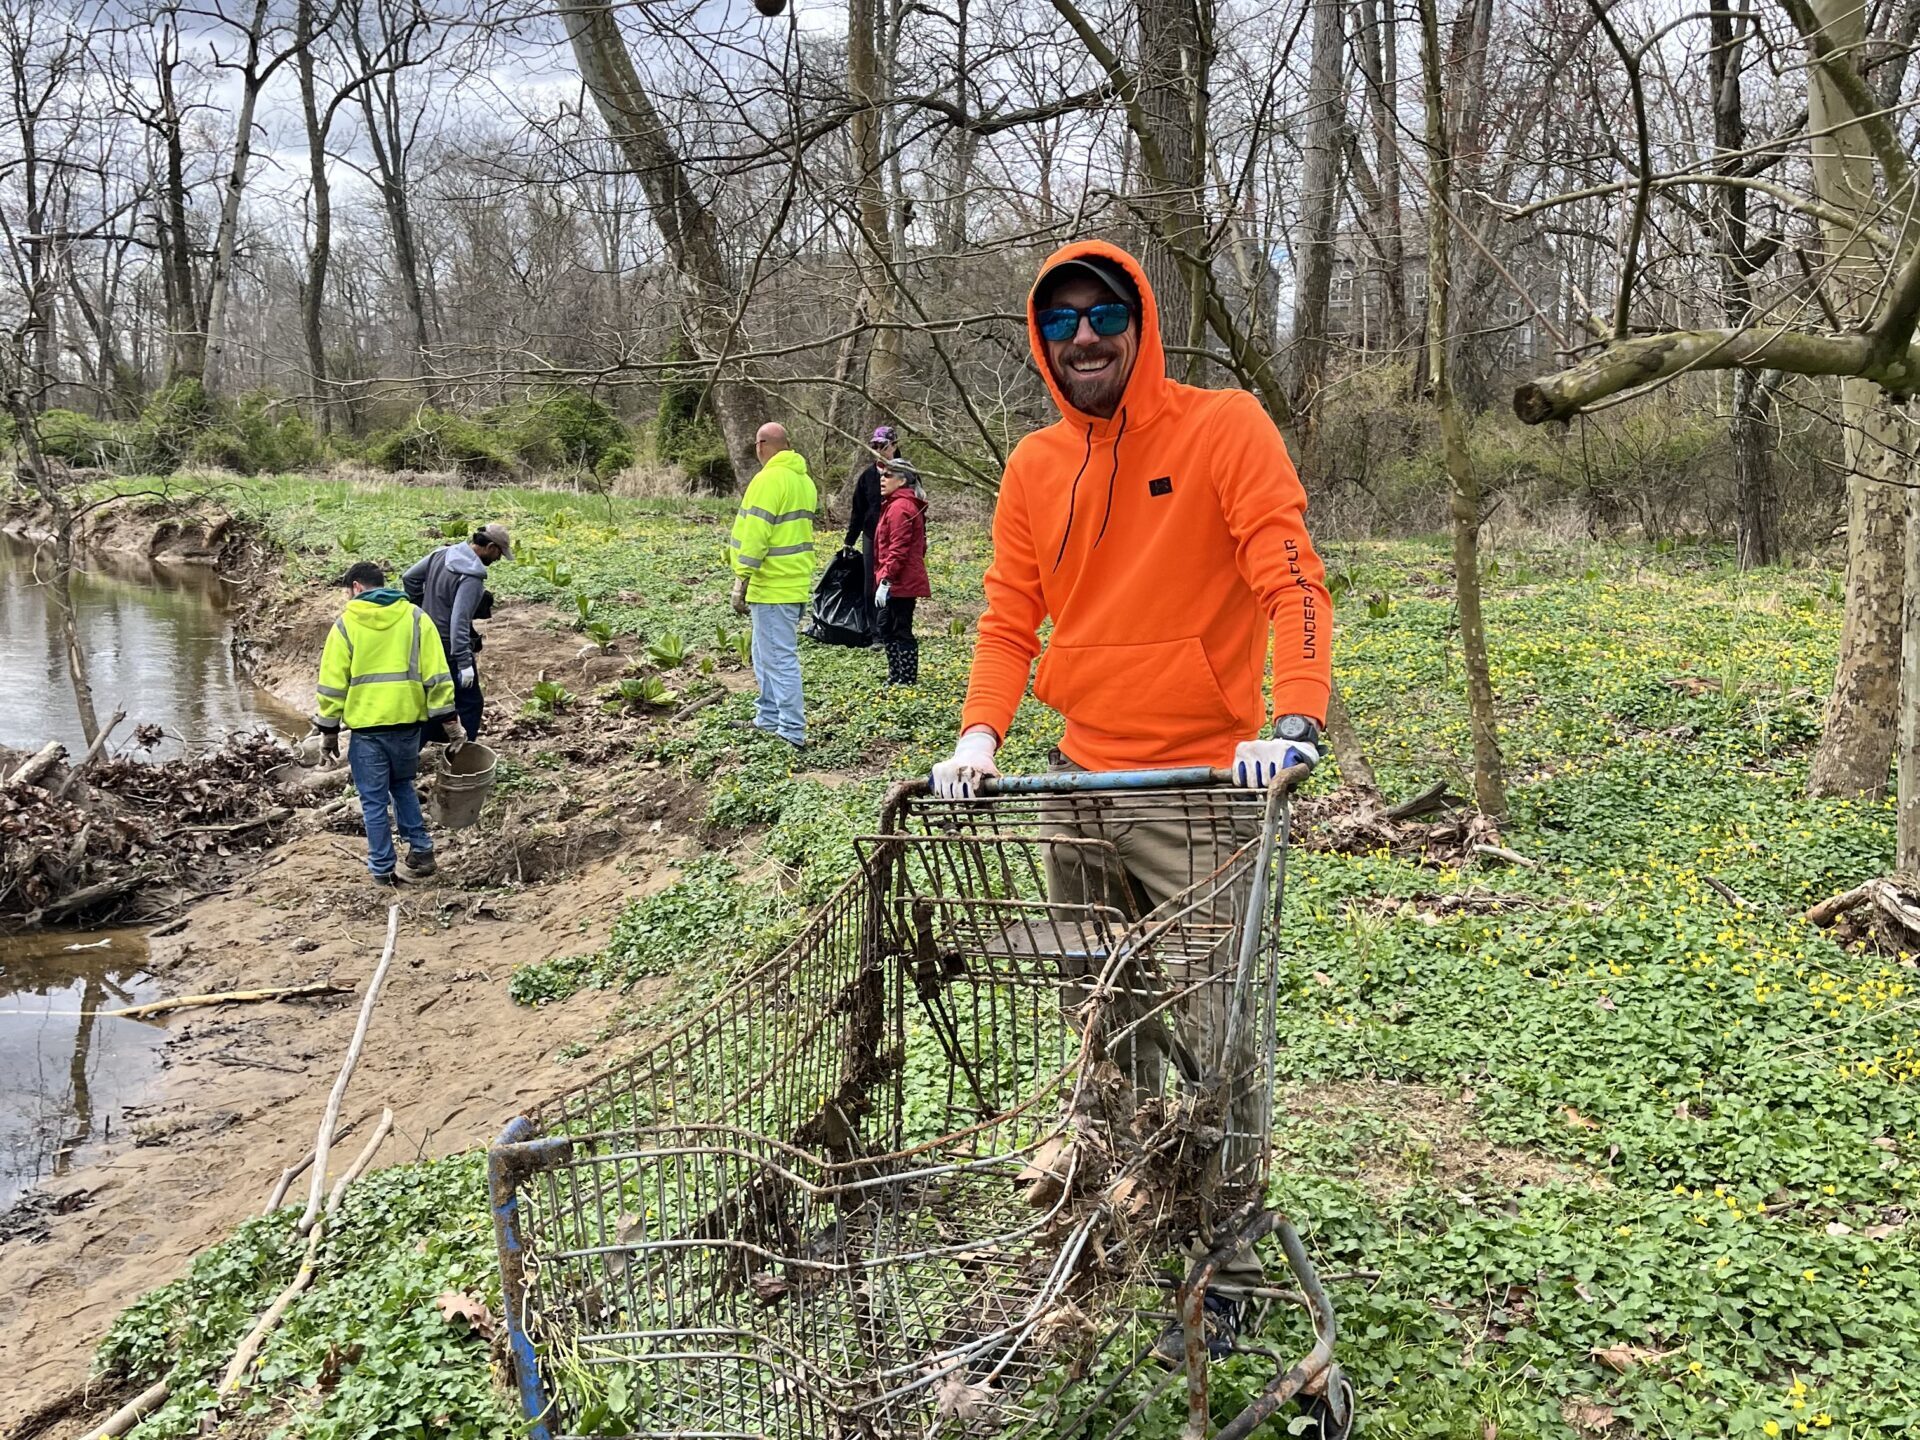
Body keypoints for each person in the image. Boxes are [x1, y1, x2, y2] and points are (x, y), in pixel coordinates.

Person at [929, 239, 1334, 1356]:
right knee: (1105, 1024)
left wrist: (1291, 718)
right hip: (1076, 783)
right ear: (1039, 344)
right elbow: (1011, 615)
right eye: (1059, 325)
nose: (1085, 339)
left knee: (1217, 1035)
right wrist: (978, 735)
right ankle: (1126, 1207)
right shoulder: (1032, 467)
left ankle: (1229, 1257)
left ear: (1141, 320)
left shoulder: (1222, 429)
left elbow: (1288, 570)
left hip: (1200, 789)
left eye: (1103, 315)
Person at [315, 561, 462, 886]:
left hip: (367, 731)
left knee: (373, 800)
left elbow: (331, 684)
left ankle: (382, 868)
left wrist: (328, 731)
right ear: (381, 583)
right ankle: (422, 851)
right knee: (402, 785)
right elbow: (437, 674)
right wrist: (450, 722)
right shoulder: (415, 618)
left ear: (355, 587)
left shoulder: (346, 625)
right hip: (408, 725)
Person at [729, 422, 818, 749]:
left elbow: (757, 533)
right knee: (764, 654)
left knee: (779, 658)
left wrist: (742, 575)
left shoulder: (768, 480)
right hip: (792, 583)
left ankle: (791, 731)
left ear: (761, 445)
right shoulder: (803, 481)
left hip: (772, 584)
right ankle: (767, 718)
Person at [402, 523, 511, 742]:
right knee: (469, 704)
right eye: (499, 552)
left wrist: (422, 608)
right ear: (490, 547)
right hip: (448, 646)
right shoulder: (472, 577)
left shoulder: (440, 554)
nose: (498, 558)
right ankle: (463, 757)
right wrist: (463, 662)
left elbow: (409, 578)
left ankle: (414, 752)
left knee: (434, 696)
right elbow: (459, 620)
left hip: (425, 639)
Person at [872, 459, 929, 686]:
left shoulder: (900, 508)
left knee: (900, 628)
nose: (882, 479)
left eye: (888, 475)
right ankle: (896, 676)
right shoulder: (896, 504)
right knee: (887, 626)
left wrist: (886, 580)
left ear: (902, 480)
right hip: (897, 579)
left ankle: (906, 679)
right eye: (882, 474)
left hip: (901, 582)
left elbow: (897, 550)